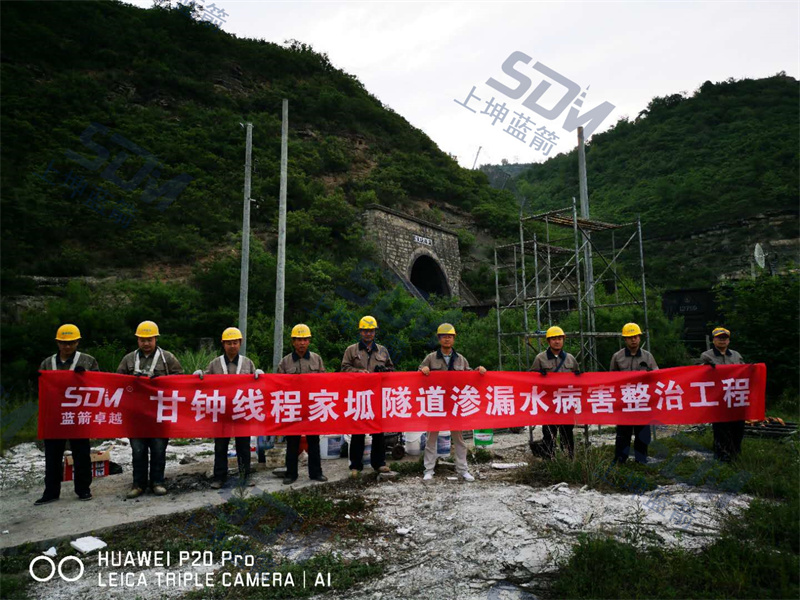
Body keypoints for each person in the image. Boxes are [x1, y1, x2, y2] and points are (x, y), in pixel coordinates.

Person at [35, 324, 101, 506]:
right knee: (52, 455)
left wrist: (85, 376)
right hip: (55, 416)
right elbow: (41, 387)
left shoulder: (88, 361)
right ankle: (51, 492)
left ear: (77, 342)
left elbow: (98, 385)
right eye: (64, 343)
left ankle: (83, 489)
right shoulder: (47, 363)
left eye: (71, 343)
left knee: (81, 453)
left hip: (78, 415)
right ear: (58, 343)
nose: (67, 346)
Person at [117, 320, 183, 498]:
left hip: (160, 413)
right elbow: (117, 381)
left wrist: (160, 380)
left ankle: (157, 482)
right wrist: (132, 379)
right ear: (137, 340)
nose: (146, 343)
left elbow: (180, 378)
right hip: (136, 415)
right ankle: (138, 484)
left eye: (150, 339)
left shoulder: (167, 358)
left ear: (156, 339)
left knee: (158, 449)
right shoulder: (129, 359)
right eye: (142, 340)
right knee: (138, 451)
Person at [195, 327, 263, 489]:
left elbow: (257, 382)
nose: (232, 346)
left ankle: (244, 476)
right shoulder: (215, 364)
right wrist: (198, 376)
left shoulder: (247, 363)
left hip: (242, 411)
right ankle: (219, 477)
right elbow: (205, 381)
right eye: (229, 343)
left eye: (235, 342)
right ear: (223, 344)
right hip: (222, 412)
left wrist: (261, 376)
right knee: (220, 446)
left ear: (240, 343)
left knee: (243, 445)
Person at [419, 323, 486, 482]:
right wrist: (423, 370)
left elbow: (469, 376)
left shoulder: (461, 359)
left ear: (454, 339)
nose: (447, 339)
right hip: (436, 404)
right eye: (444, 336)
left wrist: (479, 370)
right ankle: (428, 470)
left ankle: (462, 469)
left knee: (459, 439)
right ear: (439, 338)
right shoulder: (430, 358)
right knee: (431, 439)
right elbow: (419, 374)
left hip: (455, 405)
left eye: (450, 336)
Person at [340, 315, 394, 478]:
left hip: (377, 395)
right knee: (358, 431)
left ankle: (379, 463)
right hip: (359, 396)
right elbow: (344, 368)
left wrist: (385, 371)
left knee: (378, 431)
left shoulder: (383, 350)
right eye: (365, 330)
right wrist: (358, 372)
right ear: (360, 332)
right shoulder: (351, 350)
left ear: (375, 332)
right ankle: (355, 465)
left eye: (371, 330)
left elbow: (392, 368)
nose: (368, 334)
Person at [276, 324, 328, 485]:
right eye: (298, 339)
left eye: (305, 339)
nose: (302, 343)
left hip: (312, 407)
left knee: (314, 441)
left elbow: (324, 381)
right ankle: (291, 474)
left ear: (309, 341)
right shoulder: (285, 362)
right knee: (292, 442)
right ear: (293, 342)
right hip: (293, 408)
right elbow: (278, 385)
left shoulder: (316, 359)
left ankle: (316, 473)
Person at [610, 322, 659, 464]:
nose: (633, 339)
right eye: (630, 337)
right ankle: (620, 460)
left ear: (639, 338)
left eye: (636, 336)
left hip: (642, 401)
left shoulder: (648, 357)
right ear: (625, 339)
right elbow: (611, 378)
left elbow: (656, 375)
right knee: (623, 434)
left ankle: (641, 460)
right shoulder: (617, 357)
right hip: (624, 402)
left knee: (642, 432)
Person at [531, 326, 580, 459]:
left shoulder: (570, 359)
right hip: (549, 403)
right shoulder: (540, 358)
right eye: (553, 339)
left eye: (559, 338)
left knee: (567, 432)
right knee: (548, 433)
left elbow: (579, 380)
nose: (557, 341)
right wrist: (538, 376)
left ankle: (569, 459)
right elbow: (530, 380)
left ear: (563, 340)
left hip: (566, 403)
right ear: (548, 341)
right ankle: (549, 460)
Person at [701, 326, 745, 462]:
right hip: (718, 397)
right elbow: (701, 373)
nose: (722, 340)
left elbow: (744, 371)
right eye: (719, 338)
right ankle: (721, 455)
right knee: (721, 428)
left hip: (735, 397)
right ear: (714, 340)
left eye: (725, 338)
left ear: (729, 341)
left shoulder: (736, 355)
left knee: (738, 427)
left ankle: (735, 453)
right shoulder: (707, 355)